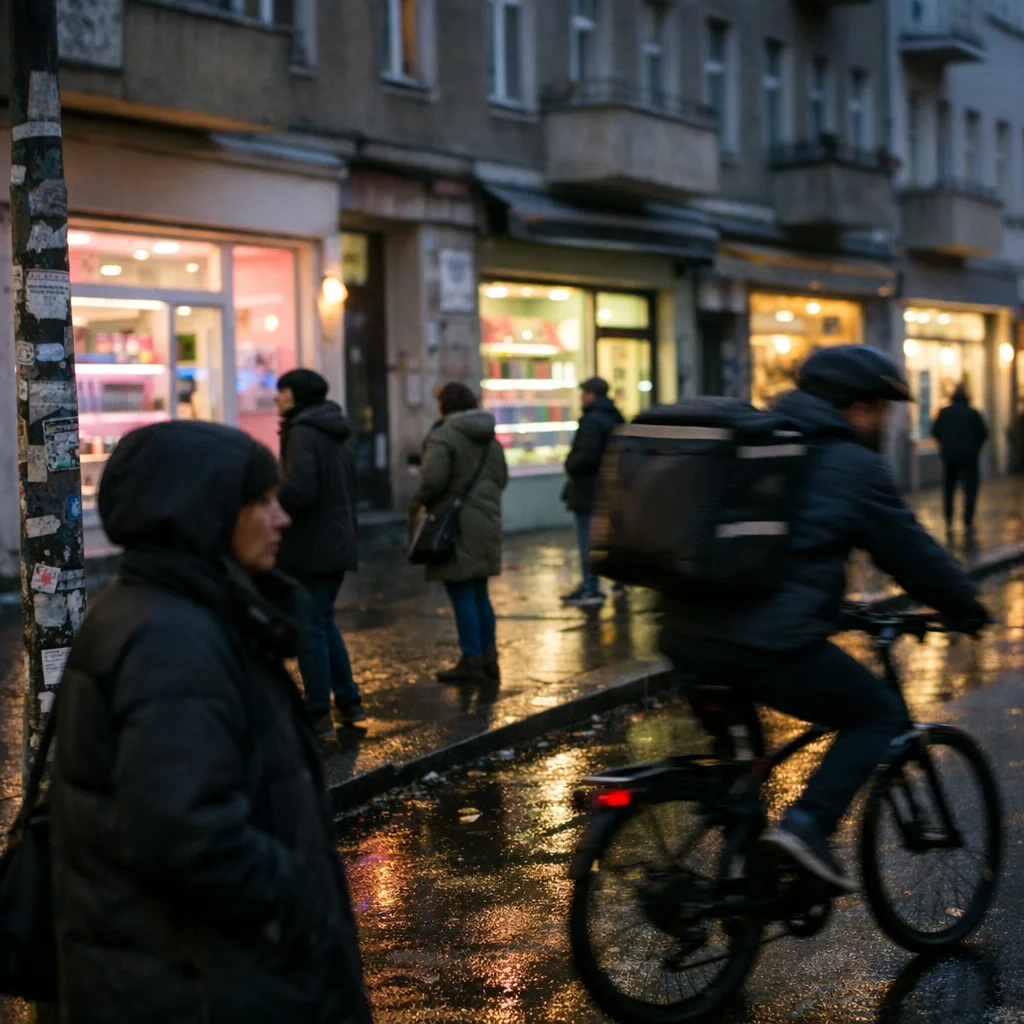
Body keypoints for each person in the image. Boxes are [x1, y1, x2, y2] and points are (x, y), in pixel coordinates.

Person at [50, 420, 373, 1024]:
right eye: (261, 501)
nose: (282, 518)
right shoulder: (172, 639)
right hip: (207, 986)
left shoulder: (180, 613)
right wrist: (301, 901)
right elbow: (189, 832)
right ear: (205, 511)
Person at [660, 346, 989, 892]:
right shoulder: (851, 464)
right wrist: (967, 608)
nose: (884, 423)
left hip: (685, 635)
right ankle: (807, 825)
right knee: (878, 713)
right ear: (859, 408)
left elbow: (771, 551)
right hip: (765, 646)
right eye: (881, 410)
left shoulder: (757, 440)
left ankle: (740, 897)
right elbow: (913, 556)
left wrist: (832, 608)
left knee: (743, 776)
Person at [276, 368, 364, 735]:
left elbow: (300, 490)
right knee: (323, 621)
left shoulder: (302, 431)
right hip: (337, 538)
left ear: (298, 395)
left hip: (311, 543)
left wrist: (268, 504)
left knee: (310, 626)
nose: (277, 398)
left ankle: (317, 711)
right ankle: (348, 701)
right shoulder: (334, 428)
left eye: (283, 391)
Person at [413, 381, 508, 685]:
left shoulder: (444, 435)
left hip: (454, 525)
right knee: (480, 592)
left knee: (462, 591)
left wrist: (421, 502)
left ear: (445, 406)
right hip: (486, 521)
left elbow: (432, 481)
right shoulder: (490, 437)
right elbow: (501, 478)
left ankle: (471, 659)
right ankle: (489, 656)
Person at [561, 376, 625, 607]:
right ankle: (618, 582)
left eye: (583, 393)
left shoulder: (592, 420)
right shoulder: (615, 416)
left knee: (588, 541)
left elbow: (585, 457)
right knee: (610, 539)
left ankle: (591, 588)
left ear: (592, 394)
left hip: (589, 492)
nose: (581, 397)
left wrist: (570, 463)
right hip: (612, 489)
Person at [932, 383, 989, 536]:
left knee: (949, 489)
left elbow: (935, 431)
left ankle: (949, 519)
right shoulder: (972, 413)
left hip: (950, 457)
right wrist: (974, 448)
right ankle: (967, 520)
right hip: (968, 456)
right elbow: (983, 433)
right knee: (970, 489)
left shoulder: (945, 413)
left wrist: (945, 445)